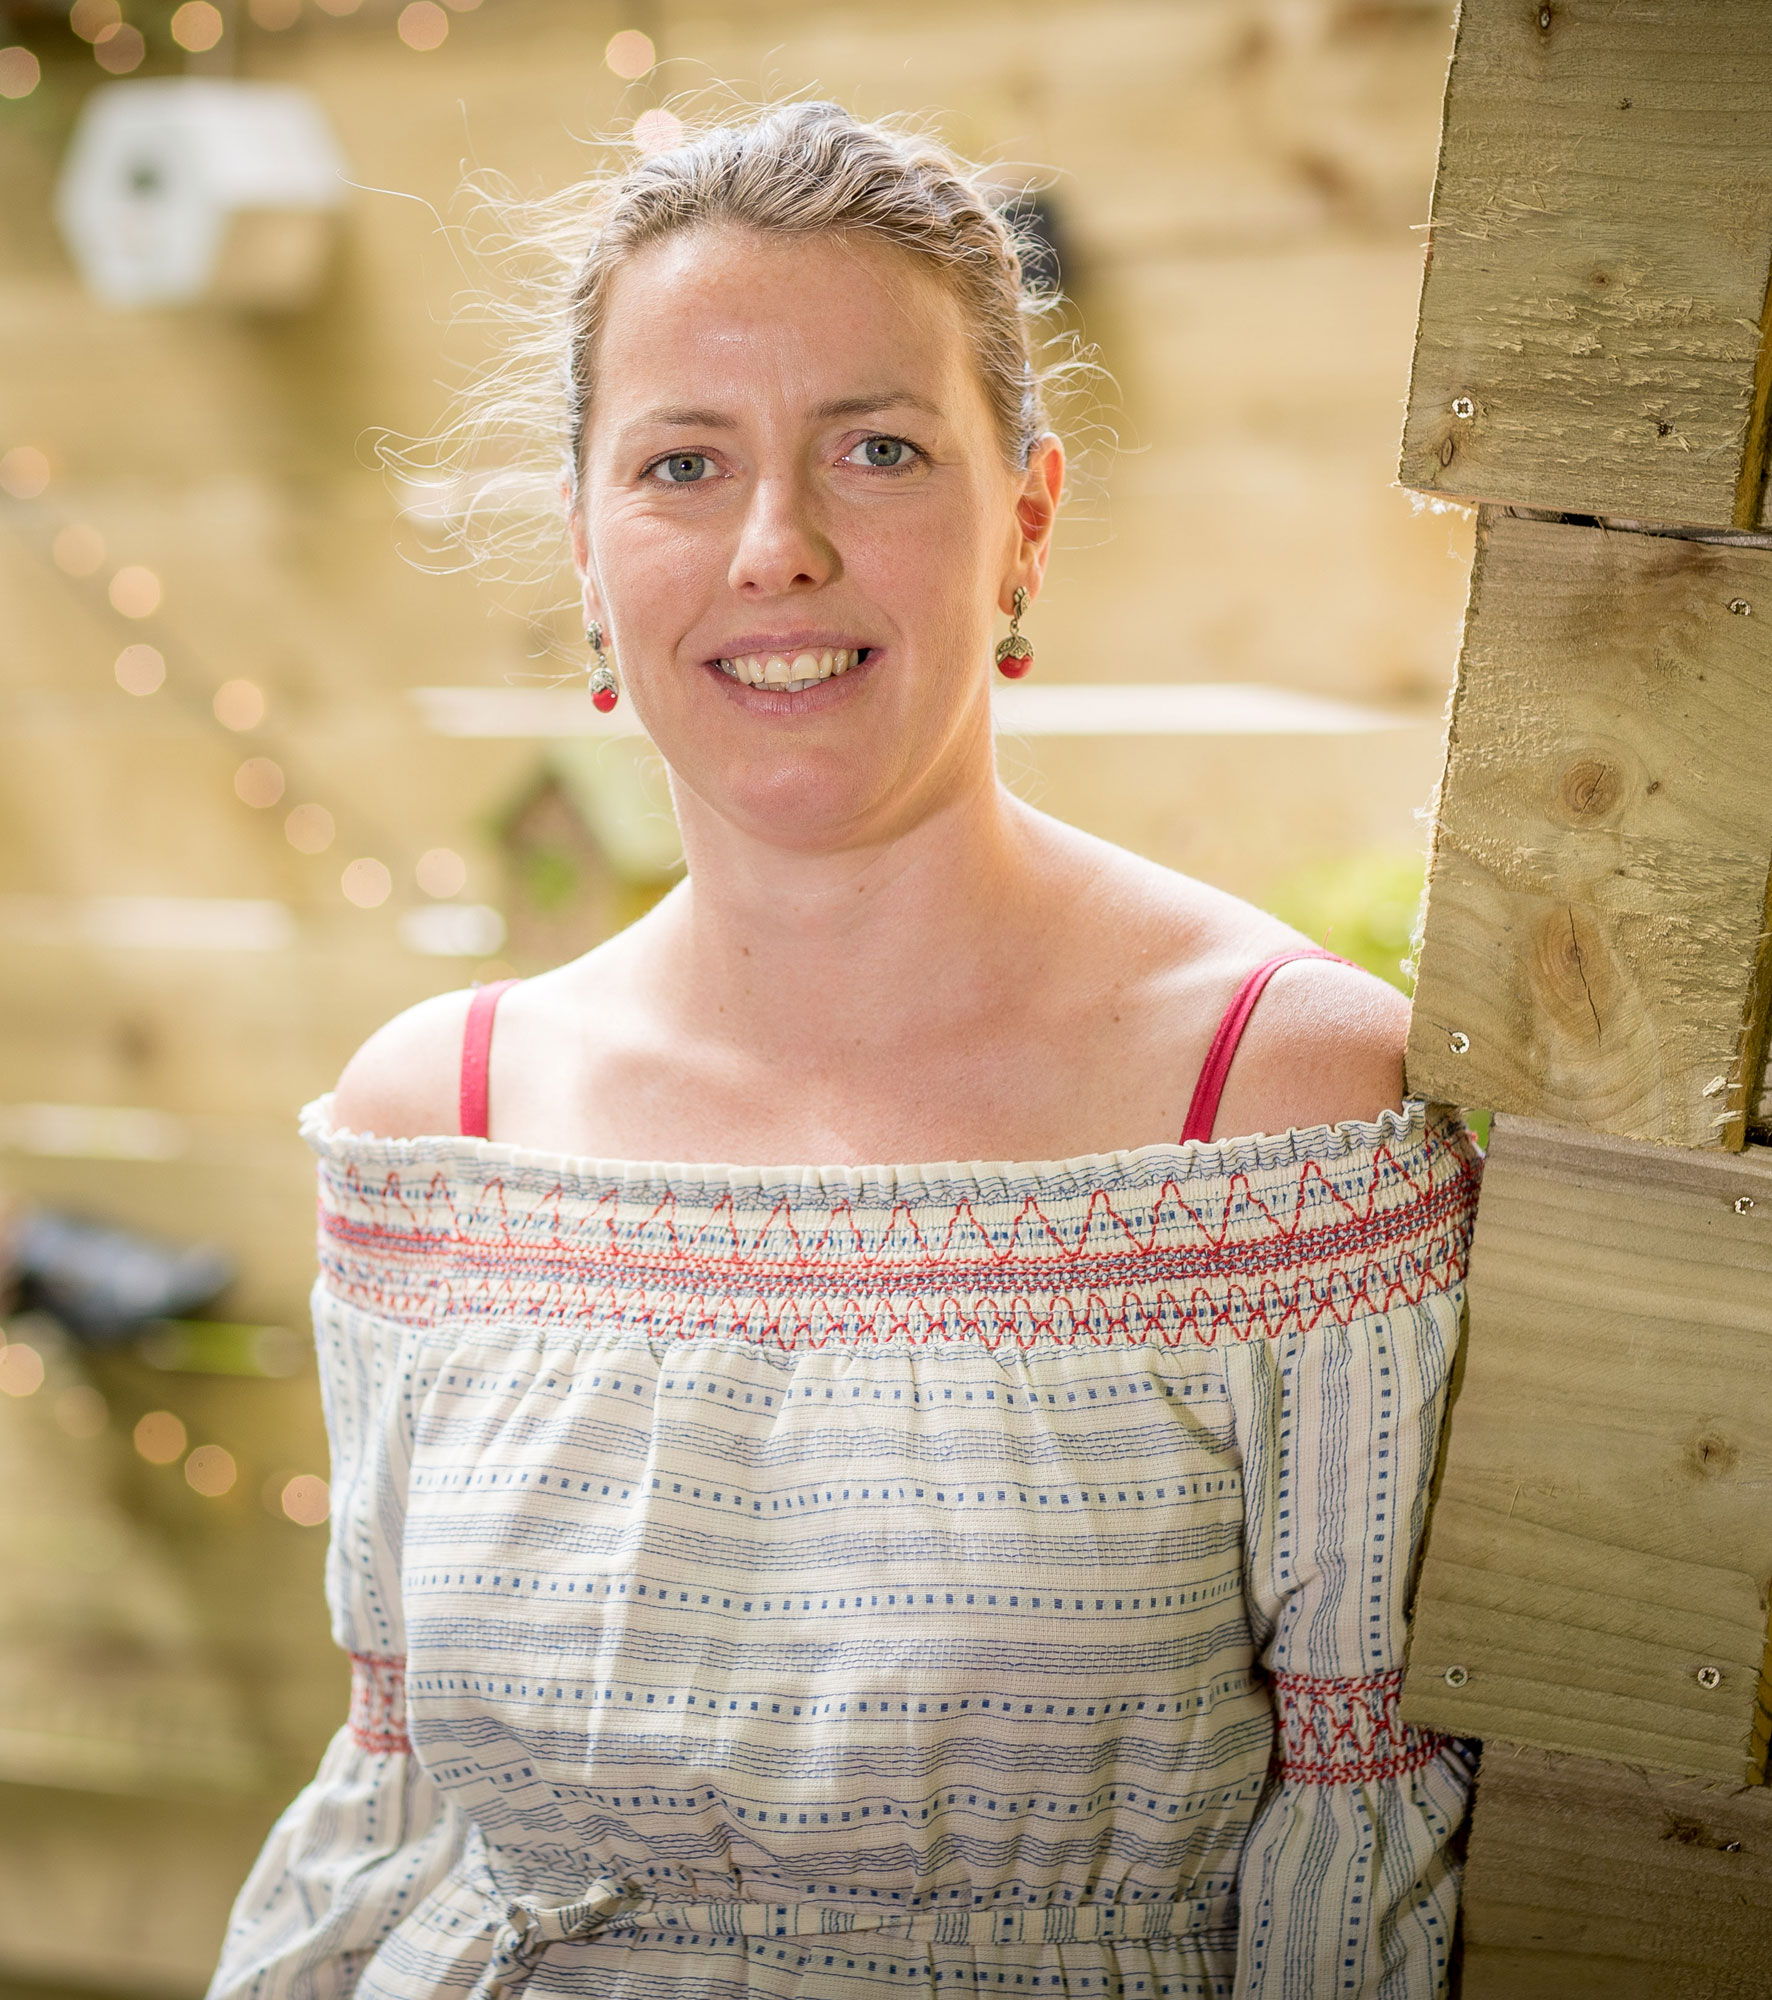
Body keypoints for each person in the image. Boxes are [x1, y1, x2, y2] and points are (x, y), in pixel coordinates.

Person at [210, 101, 1479, 2000]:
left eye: (877, 450)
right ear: (585, 546)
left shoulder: (1279, 1103)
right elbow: (391, 1813)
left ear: (1024, 518)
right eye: (682, 464)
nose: (775, 547)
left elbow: (1362, 1848)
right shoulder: (442, 1116)